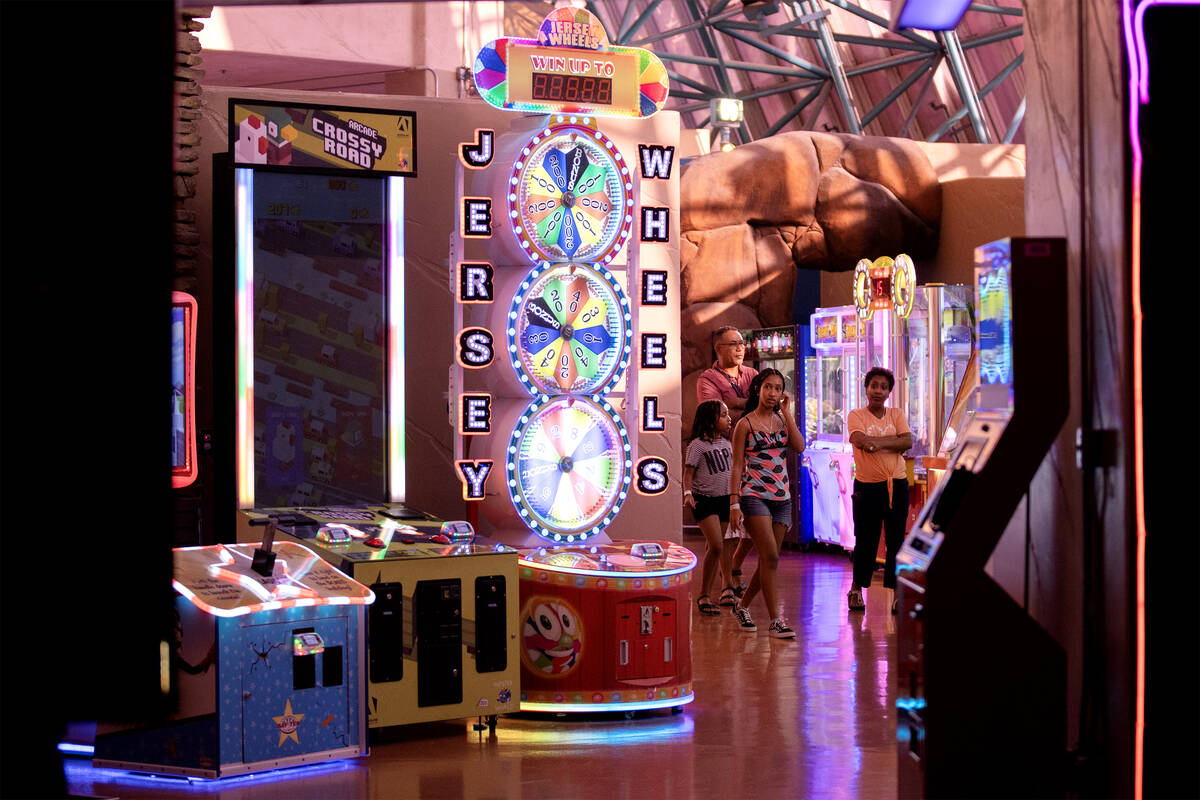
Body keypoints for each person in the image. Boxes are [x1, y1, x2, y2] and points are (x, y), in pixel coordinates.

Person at [728, 368, 805, 638]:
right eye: (768, 387)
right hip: (754, 495)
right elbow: (737, 466)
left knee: (768, 561)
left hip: (782, 497)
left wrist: (788, 414)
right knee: (770, 556)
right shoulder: (745, 424)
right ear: (758, 389)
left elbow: (799, 446)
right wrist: (734, 503)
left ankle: (743, 606)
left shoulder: (783, 421)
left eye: (778, 388)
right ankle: (776, 620)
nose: (773, 393)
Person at [696, 325, 759, 596]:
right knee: (725, 527)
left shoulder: (753, 374)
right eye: (733, 343)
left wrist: (734, 401)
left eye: (742, 343)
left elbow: (762, 405)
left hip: (754, 458)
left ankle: (732, 568)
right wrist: (749, 402)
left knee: (754, 523)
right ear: (718, 348)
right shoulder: (706, 379)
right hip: (722, 460)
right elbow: (714, 412)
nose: (739, 348)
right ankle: (724, 585)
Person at [845, 367, 912, 615]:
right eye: (874, 385)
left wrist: (880, 443)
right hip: (867, 488)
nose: (878, 391)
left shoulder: (896, 414)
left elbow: (907, 441)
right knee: (866, 539)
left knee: (897, 540)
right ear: (866, 387)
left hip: (898, 485)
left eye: (884, 387)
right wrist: (893, 443)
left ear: (889, 391)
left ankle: (897, 594)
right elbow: (861, 441)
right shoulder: (856, 415)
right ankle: (855, 589)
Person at [684, 400, 738, 615]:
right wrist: (688, 494)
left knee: (723, 545)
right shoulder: (697, 445)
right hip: (703, 499)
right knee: (716, 545)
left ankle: (727, 587)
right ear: (710, 419)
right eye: (724, 415)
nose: (729, 418)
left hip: (724, 499)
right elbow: (688, 474)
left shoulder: (726, 443)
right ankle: (703, 594)